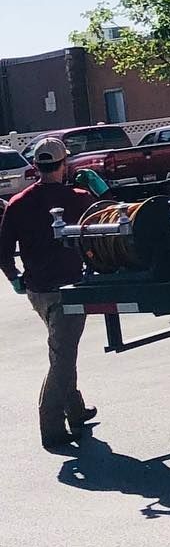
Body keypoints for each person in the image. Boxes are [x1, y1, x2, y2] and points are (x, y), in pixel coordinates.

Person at [0, 137, 99, 452]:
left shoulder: (17, 204)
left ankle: (76, 409)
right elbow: (110, 217)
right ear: (63, 164)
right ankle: (51, 427)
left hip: (37, 290)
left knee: (61, 349)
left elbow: (3, 250)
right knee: (63, 357)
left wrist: (14, 277)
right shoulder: (79, 198)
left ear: (35, 166)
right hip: (67, 291)